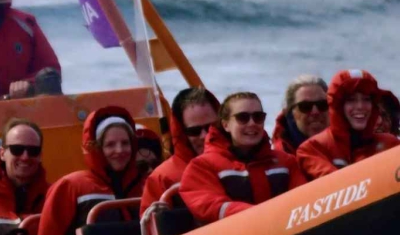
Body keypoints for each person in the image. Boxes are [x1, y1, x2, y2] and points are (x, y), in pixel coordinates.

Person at [36, 107, 146, 235]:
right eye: (110, 144)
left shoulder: (144, 184)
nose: (120, 150)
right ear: (97, 148)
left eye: (125, 143)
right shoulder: (71, 186)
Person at [180, 93, 307, 223]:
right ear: (225, 125)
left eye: (258, 117)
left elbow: (304, 201)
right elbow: (211, 206)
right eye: (242, 118)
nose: (252, 123)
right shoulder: (201, 167)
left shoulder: (286, 162)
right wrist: (263, 216)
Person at [296, 69, 400, 178]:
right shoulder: (313, 149)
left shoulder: (390, 143)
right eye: (351, 100)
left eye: (366, 99)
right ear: (338, 106)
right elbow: (336, 185)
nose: (360, 106)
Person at [140, 86, 220, 213]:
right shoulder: (162, 178)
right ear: (182, 132)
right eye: (194, 131)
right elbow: (150, 230)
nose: (205, 135)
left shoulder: (243, 164)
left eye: (212, 127)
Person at [271, 75, 329, 156]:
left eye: (322, 104)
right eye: (305, 106)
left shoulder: (348, 148)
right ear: (291, 113)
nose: (315, 112)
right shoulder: (278, 159)